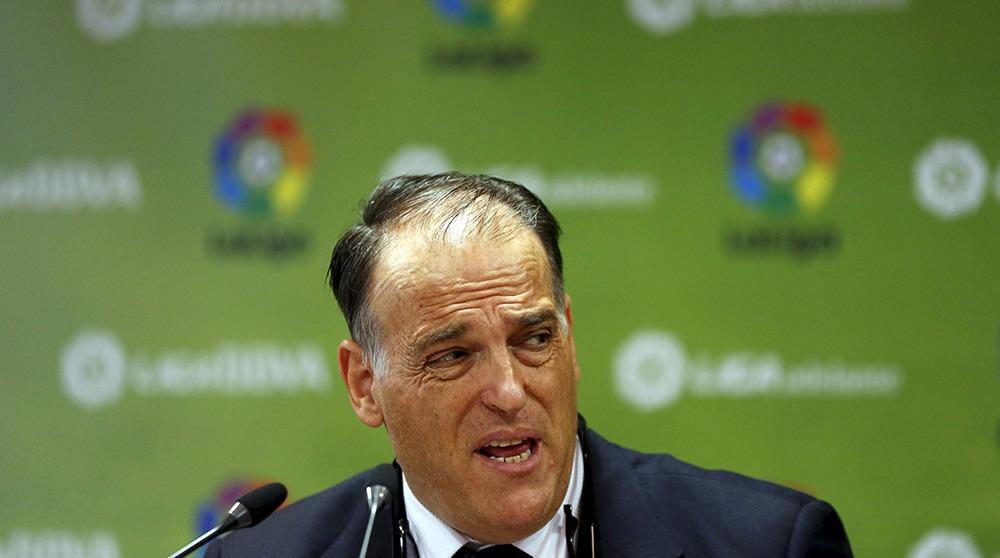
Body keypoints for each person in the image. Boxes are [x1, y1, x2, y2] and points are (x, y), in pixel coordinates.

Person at [206, 173, 853, 557]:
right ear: (364, 384)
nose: (510, 392)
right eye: (453, 355)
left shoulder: (768, 544)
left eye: (534, 339)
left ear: (569, 338)